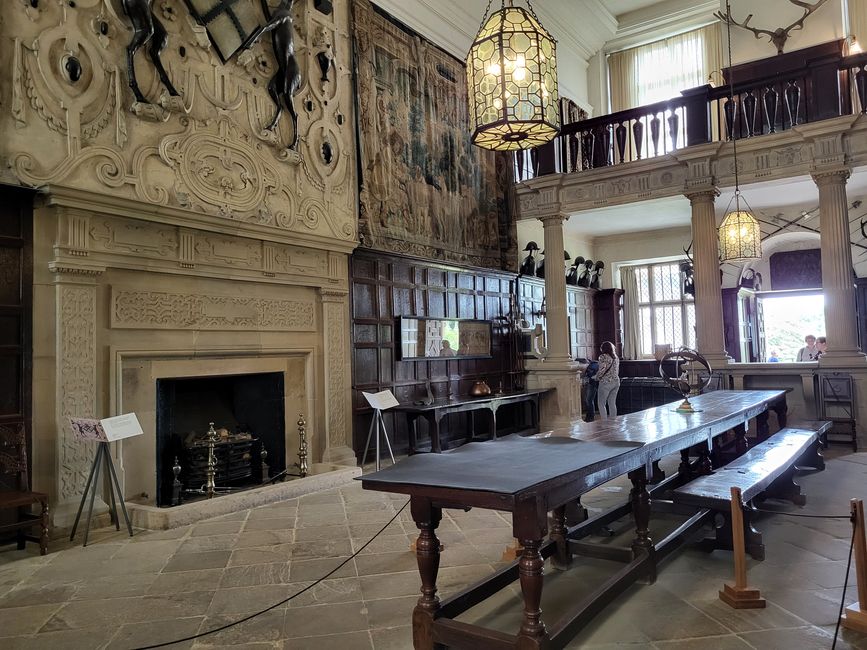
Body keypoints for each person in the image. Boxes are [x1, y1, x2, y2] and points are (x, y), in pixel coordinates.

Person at [596, 341, 620, 419]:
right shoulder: (616, 357)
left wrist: (596, 377)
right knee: (612, 403)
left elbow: (602, 370)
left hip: (606, 382)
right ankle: (613, 421)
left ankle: (605, 423)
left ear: (603, 349)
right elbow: (617, 370)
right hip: (616, 381)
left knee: (601, 404)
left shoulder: (603, 357)